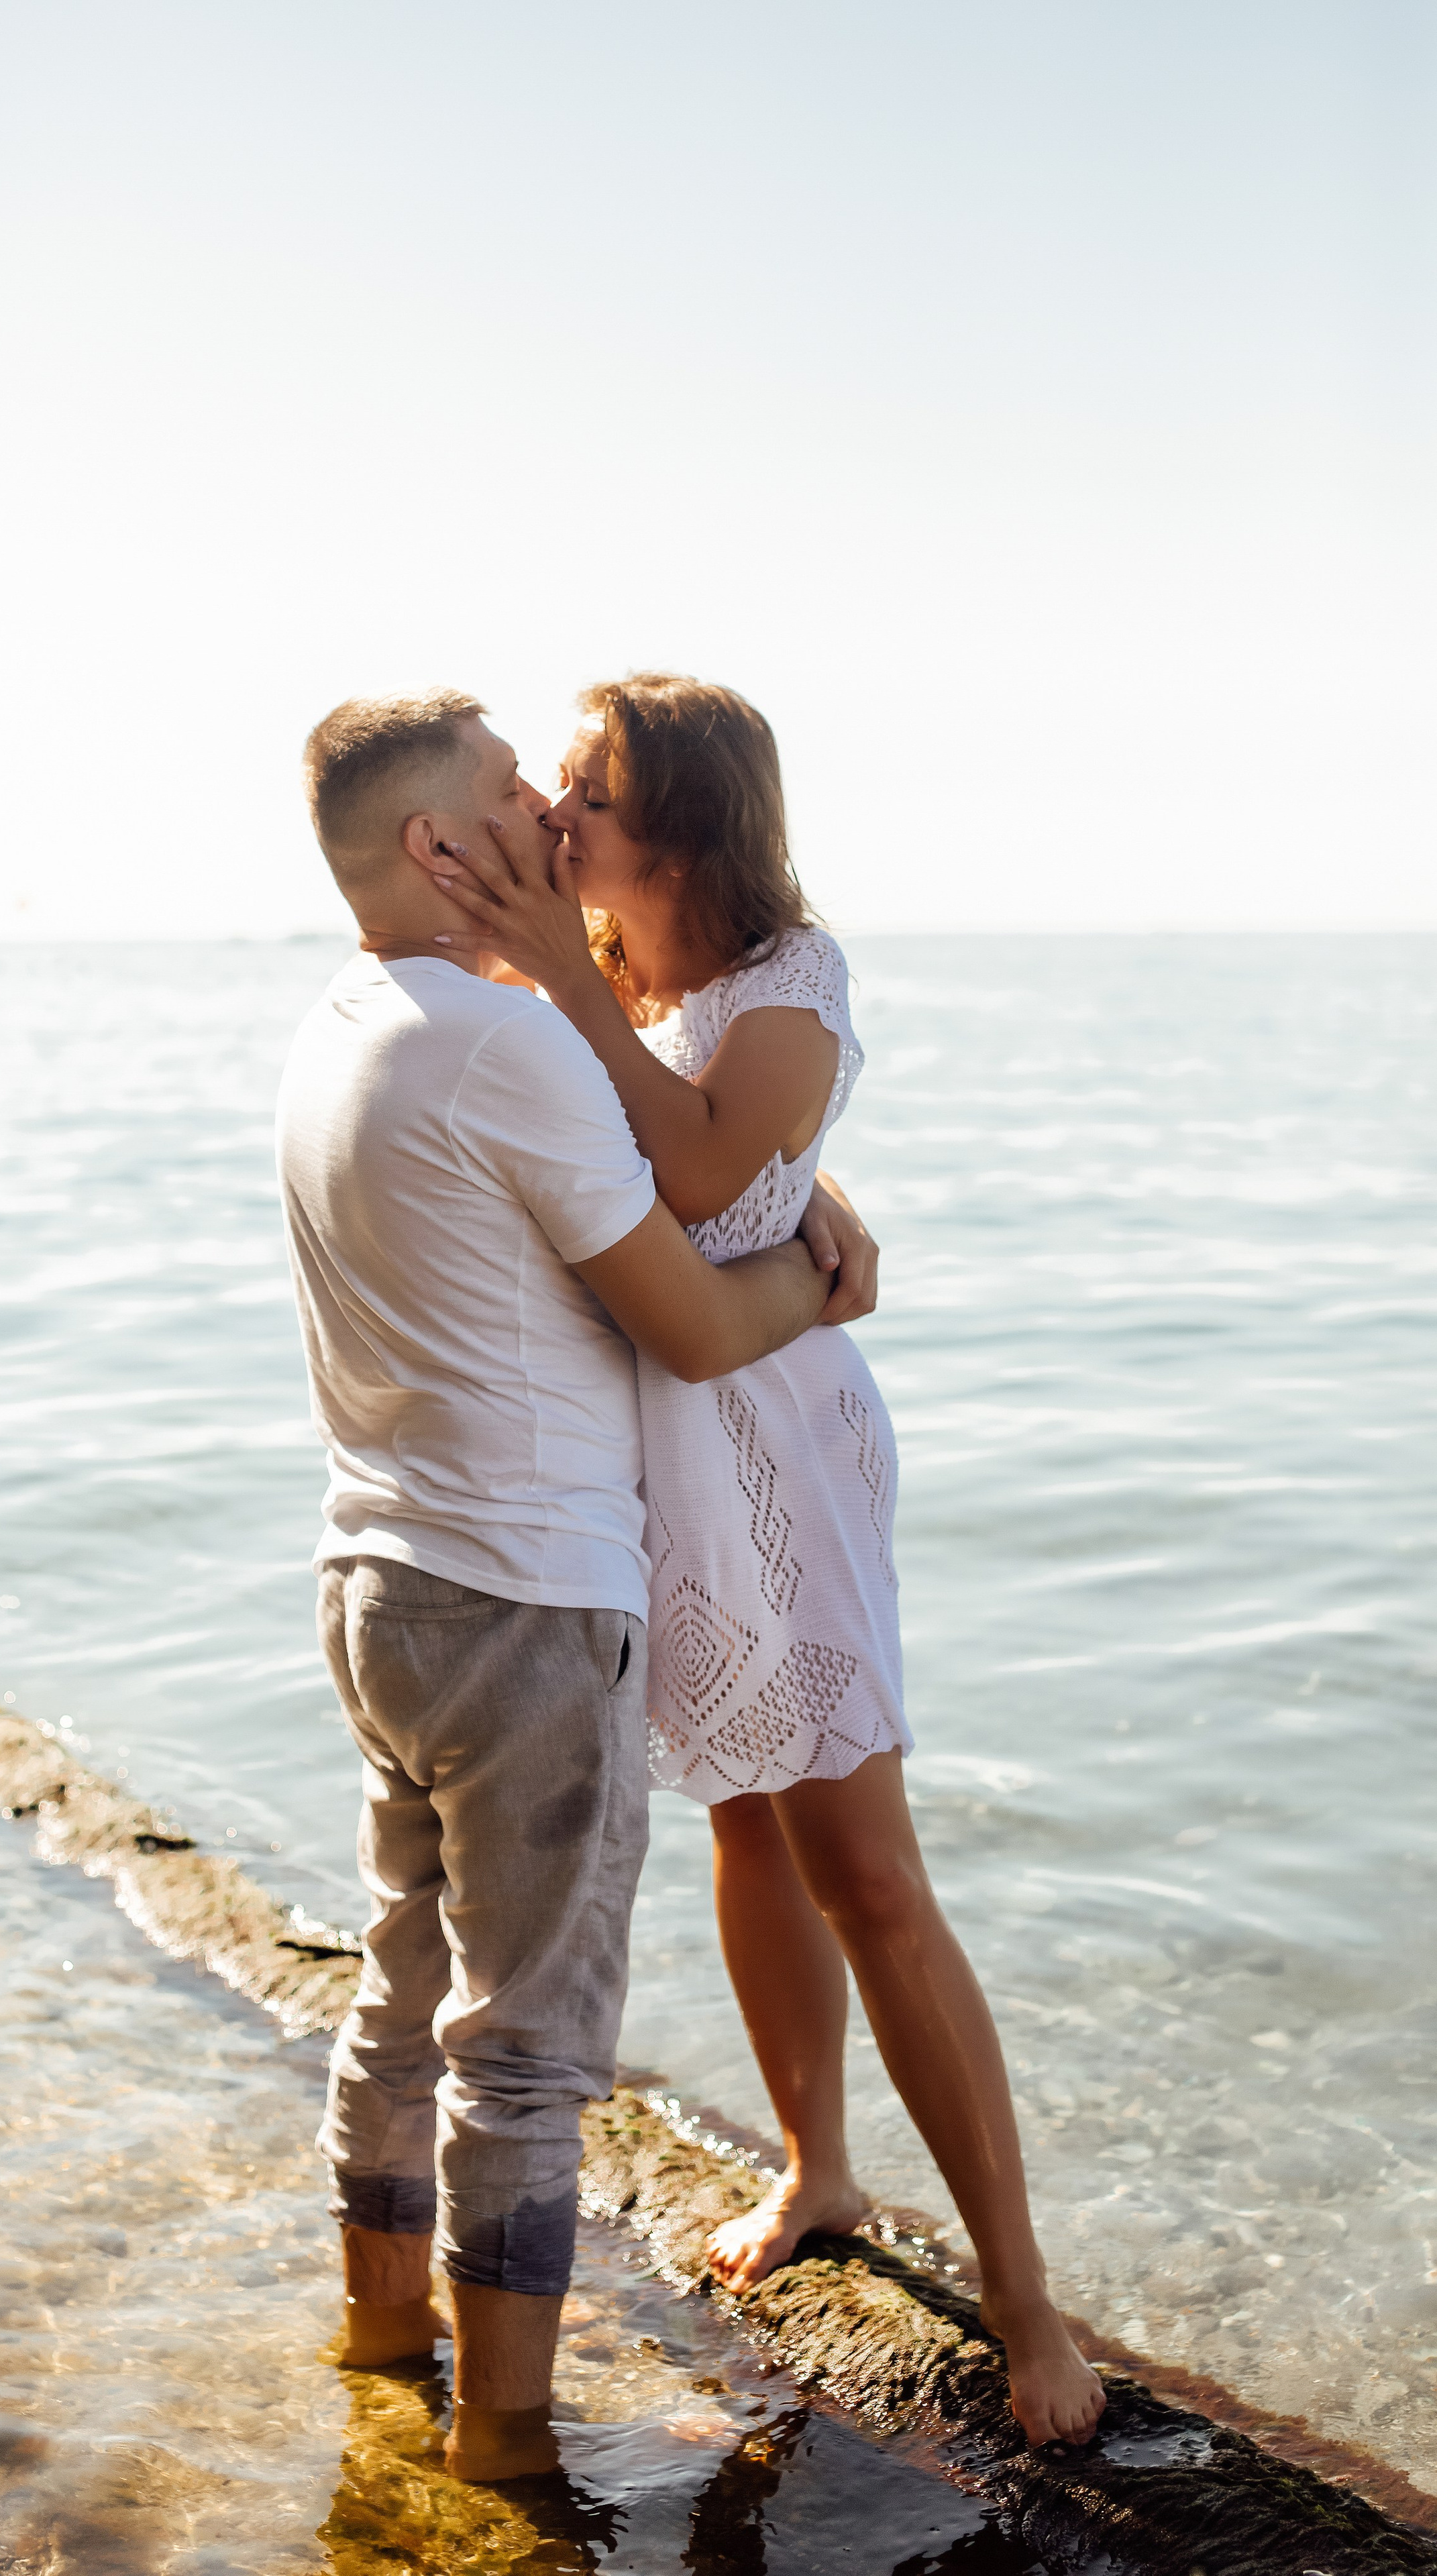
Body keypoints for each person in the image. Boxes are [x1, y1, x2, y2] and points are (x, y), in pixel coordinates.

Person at [427, 672, 1107, 2448]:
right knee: (743, 1819)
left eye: (589, 785)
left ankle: (1028, 2303)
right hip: (657, 1454)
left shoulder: (784, 988)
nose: (558, 811)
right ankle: (820, 2172)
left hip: (778, 1452)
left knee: (868, 1866)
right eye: (559, 781)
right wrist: (813, 1191)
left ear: (690, 827)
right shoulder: (587, 974)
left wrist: (798, 1183)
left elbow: (723, 1164)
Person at [276, 688, 872, 2485]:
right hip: (523, 1597)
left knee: (400, 1993)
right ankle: (509, 2447)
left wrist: (792, 1179)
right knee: (527, 2054)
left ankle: (385, 2339)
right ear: (433, 848)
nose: (541, 804)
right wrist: (824, 1279)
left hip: (374, 1579)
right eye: (505, 790)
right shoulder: (511, 1048)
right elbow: (693, 1325)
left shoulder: (342, 1024)